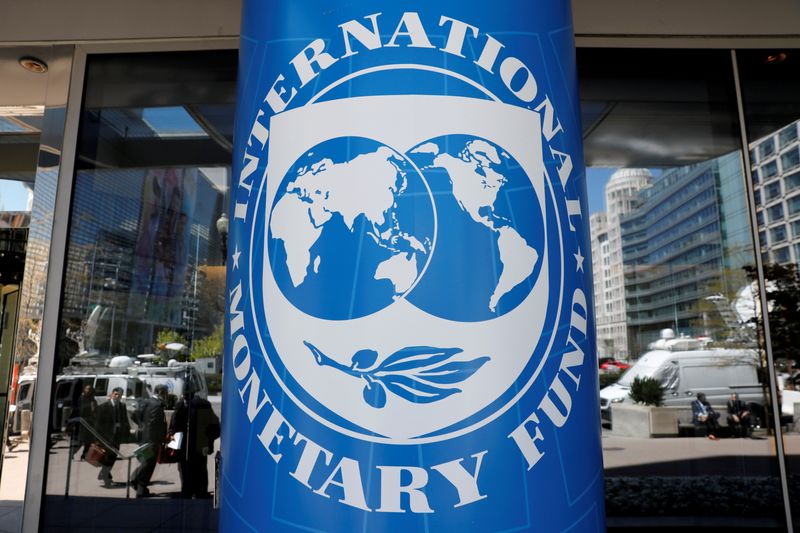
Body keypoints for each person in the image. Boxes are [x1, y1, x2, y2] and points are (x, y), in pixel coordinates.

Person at [170, 390, 220, 498]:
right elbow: (215, 427)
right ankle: (200, 493)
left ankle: (188, 492)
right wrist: (208, 440)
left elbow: (174, 427)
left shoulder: (181, 406)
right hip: (201, 447)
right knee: (201, 470)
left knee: (185, 471)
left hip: (185, 448)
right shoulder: (204, 406)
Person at [130, 385, 168, 497]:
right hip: (152, 441)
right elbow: (155, 425)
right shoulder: (156, 405)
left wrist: (142, 427)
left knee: (146, 462)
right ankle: (137, 482)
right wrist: (155, 439)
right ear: (160, 392)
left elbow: (134, 415)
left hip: (145, 439)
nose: (166, 395)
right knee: (148, 464)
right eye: (165, 392)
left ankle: (139, 485)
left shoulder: (147, 402)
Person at [95, 387, 131, 487]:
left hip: (117, 436)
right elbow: (98, 423)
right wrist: (97, 439)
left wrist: (126, 433)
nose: (117, 396)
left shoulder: (122, 406)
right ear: (111, 394)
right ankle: (106, 478)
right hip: (106, 436)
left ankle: (104, 474)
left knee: (113, 457)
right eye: (115, 394)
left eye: (119, 395)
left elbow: (125, 420)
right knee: (107, 457)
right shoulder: (103, 406)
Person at [73, 384, 98, 460]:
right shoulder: (81, 398)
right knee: (80, 441)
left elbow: (96, 410)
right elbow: (80, 410)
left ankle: (84, 455)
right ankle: (72, 453)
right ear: (84, 389)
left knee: (89, 441)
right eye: (87, 389)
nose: (88, 390)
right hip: (82, 423)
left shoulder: (92, 399)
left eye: (90, 389)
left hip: (90, 422)